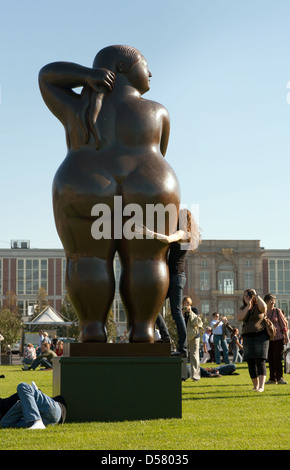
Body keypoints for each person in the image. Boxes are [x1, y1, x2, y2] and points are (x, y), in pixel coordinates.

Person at [39, 45, 181, 344]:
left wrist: (86, 77)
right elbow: (162, 150)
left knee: (86, 258)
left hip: (83, 183)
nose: (151, 72)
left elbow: (47, 77)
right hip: (150, 182)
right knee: (149, 261)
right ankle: (143, 330)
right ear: (122, 67)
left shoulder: (78, 108)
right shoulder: (158, 111)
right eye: (145, 64)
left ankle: (92, 329)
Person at [136, 209, 200, 357]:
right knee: (154, 307)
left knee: (176, 312)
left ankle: (182, 349)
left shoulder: (183, 234)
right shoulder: (184, 234)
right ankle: (166, 338)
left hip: (177, 276)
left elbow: (167, 240)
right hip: (172, 277)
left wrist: (149, 233)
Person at [237, 289, 269, 392]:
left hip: (260, 336)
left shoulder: (259, 306)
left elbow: (264, 307)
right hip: (247, 337)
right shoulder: (244, 307)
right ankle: (255, 386)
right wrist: (248, 305)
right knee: (250, 361)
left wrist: (256, 295)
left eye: (250, 295)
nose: (248, 296)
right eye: (245, 295)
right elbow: (239, 317)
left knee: (260, 360)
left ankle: (261, 386)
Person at [0, 381, 66, 429]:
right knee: (4, 423)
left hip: (52, 411)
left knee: (23, 386)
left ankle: (37, 421)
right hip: (48, 421)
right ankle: (37, 421)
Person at [264, 293, 289, 385]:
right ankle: (272, 379)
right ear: (266, 301)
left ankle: (280, 378)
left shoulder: (277, 311)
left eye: (274, 300)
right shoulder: (263, 312)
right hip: (267, 339)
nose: (273, 302)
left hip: (278, 338)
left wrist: (286, 336)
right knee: (270, 359)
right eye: (271, 300)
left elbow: (283, 325)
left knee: (277, 358)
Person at [182, 296, 203, 380]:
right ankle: (183, 376)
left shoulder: (194, 310)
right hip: (185, 336)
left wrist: (190, 312)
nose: (186, 304)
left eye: (187, 302)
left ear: (190, 303)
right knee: (183, 355)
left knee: (194, 355)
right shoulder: (182, 312)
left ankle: (195, 376)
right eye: (184, 303)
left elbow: (195, 323)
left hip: (194, 336)